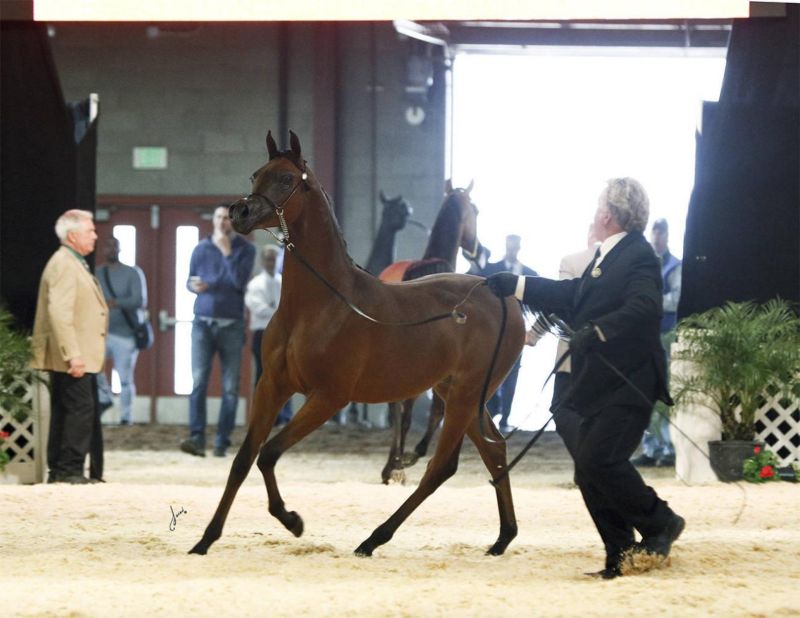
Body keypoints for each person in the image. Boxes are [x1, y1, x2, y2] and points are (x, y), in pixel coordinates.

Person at [486, 178, 684, 579]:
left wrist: (598, 331)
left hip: (630, 383)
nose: (595, 212)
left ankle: (660, 521)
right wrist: (517, 285)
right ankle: (621, 552)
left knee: (596, 460)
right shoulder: (608, 257)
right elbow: (572, 294)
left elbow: (645, 306)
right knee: (588, 468)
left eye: (598, 207)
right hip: (601, 384)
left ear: (607, 215)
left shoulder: (639, 255)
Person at [30, 209, 108, 484]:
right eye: (90, 230)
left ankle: (63, 469)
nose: (95, 235)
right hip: (74, 353)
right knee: (78, 410)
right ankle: (69, 469)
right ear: (73, 235)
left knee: (70, 409)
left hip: (78, 351)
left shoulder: (72, 260)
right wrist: (72, 354)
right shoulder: (64, 263)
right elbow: (59, 312)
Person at [180, 205, 255, 458]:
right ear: (212, 220)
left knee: (230, 387)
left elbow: (238, 283)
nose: (222, 222)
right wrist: (193, 286)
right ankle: (197, 438)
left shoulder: (246, 249)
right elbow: (189, 280)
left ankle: (222, 441)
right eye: (219, 217)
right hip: (202, 322)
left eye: (227, 218)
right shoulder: (200, 248)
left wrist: (226, 253)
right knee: (198, 381)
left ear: (233, 222)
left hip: (231, 324)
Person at [632, 218, 682, 468]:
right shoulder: (643, 264)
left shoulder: (675, 266)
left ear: (667, 235)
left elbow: (676, 298)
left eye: (661, 233)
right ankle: (651, 448)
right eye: (654, 232)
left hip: (665, 335)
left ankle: (668, 447)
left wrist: (648, 301)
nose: (657, 237)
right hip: (644, 336)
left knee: (664, 392)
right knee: (645, 391)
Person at [481, 234, 537, 432]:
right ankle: (491, 408)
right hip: (490, 334)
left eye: (515, 246)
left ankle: (505, 418)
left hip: (516, 334)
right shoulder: (490, 270)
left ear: (519, 247)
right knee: (487, 372)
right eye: (509, 246)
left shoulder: (531, 274)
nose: (512, 249)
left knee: (512, 374)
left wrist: (533, 332)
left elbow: (539, 304)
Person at [95, 237, 149, 425]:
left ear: (119, 249)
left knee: (125, 378)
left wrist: (114, 303)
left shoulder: (133, 273)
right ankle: (104, 399)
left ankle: (126, 417)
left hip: (125, 334)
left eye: (114, 246)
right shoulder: (97, 273)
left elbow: (138, 300)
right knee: (94, 371)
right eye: (107, 246)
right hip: (101, 332)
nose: (110, 249)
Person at [244, 245, 292, 426]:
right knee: (264, 375)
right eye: (269, 259)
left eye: (274, 259)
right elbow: (258, 308)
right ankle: (262, 416)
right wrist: (279, 312)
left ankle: (284, 415)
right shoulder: (255, 284)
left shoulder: (283, 282)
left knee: (287, 375)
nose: (271, 262)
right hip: (263, 333)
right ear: (263, 261)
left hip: (283, 333)